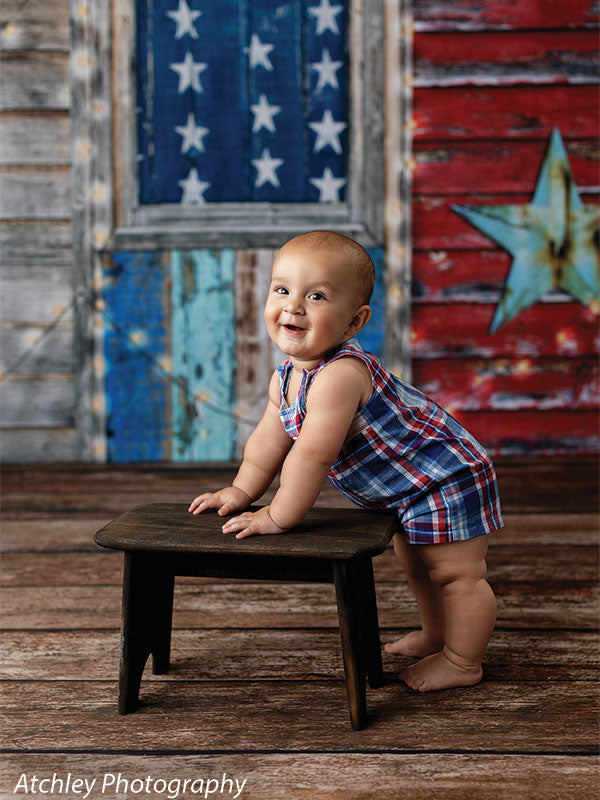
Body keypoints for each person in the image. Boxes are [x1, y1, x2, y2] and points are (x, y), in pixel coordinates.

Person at [189, 230, 503, 692]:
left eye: (316, 296)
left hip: (444, 477)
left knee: (457, 575)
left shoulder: (340, 375)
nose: (293, 306)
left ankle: (461, 660)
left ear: (354, 322)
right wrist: (241, 491)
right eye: (282, 290)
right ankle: (438, 634)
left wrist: (279, 515)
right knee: (416, 565)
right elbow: (265, 443)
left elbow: (312, 455)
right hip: (404, 486)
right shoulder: (288, 378)